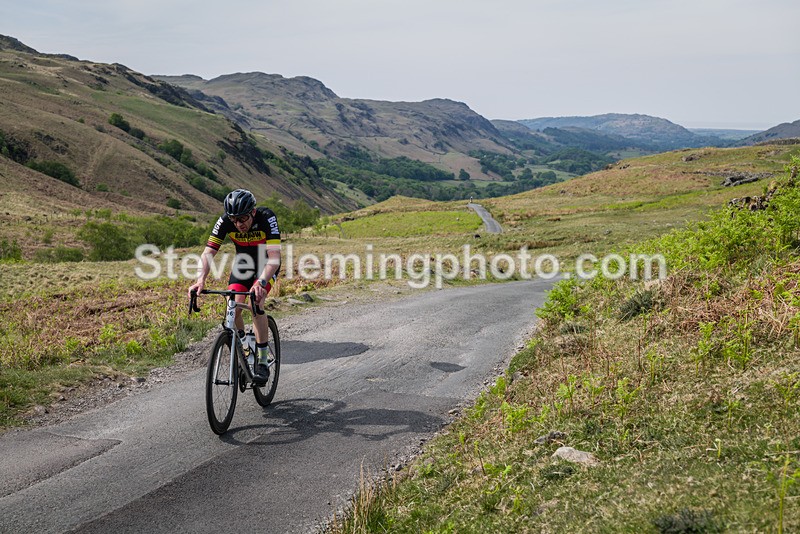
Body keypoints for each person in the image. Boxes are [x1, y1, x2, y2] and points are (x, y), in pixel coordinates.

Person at [188, 189, 281, 384]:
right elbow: (208, 253)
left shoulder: (266, 217)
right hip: (243, 265)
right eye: (234, 220)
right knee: (233, 305)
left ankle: (262, 362)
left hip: (266, 265)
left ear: (253, 212)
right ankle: (244, 347)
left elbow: (274, 258)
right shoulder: (225, 221)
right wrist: (200, 280)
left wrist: (261, 282)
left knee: (256, 303)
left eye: (243, 219)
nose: (239, 224)